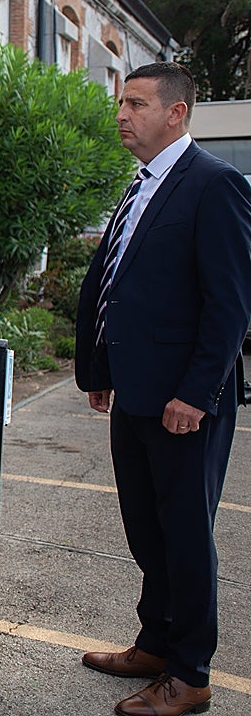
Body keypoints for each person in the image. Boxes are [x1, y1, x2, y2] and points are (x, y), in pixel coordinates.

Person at [75, 61, 251, 716]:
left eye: (136, 103)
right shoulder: (143, 183)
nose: (122, 114)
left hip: (184, 401)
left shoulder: (214, 184)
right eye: (121, 102)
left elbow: (230, 306)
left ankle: (190, 673)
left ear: (176, 112)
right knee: (147, 531)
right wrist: (100, 371)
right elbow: (120, 283)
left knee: (184, 537)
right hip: (136, 391)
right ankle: (155, 643)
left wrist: (197, 393)